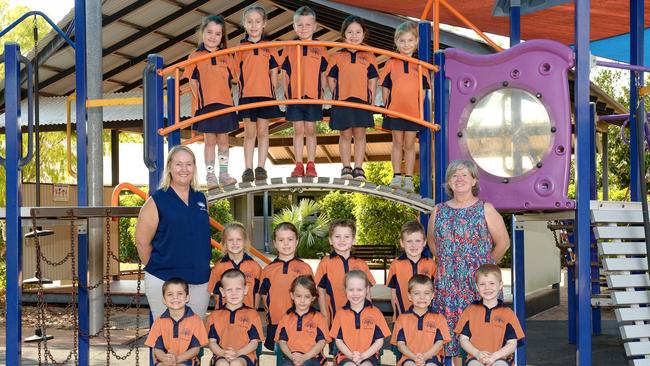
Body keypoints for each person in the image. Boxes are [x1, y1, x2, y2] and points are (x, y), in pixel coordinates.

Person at [427, 159, 510, 366]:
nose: (459, 179)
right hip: (448, 287)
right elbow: (433, 244)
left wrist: (485, 269)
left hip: (478, 286)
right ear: (448, 182)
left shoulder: (486, 209)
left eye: (465, 174)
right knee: (454, 336)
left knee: (484, 332)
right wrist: (451, 263)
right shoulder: (438, 211)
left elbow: (503, 244)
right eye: (454, 175)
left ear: (474, 180)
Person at [135, 145, 212, 321]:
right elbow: (142, 243)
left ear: (194, 167)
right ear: (169, 167)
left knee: (193, 338)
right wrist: (159, 269)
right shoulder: (156, 201)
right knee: (168, 340)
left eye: (189, 164)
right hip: (164, 281)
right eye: (178, 164)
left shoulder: (201, 198)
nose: (184, 169)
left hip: (199, 280)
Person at [183, 15, 239, 188]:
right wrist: (199, 98)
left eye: (217, 33)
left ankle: (223, 173)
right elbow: (192, 80)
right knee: (209, 141)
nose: (213, 37)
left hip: (224, 104)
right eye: (209, 32)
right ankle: (210, 175)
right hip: (206, 105)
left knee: (223, 140)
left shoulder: (227, 56)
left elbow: (234, 79)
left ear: (222, 37)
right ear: (202, 33)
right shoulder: (195, 56)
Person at [380, 21, 431, 193]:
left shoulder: (420, 66)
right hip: (395, 111)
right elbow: (385, 86)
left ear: (416, 42)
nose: (406, 44)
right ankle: (396, 175)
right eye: (402, 41)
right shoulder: (391, 63)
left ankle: (408, 178)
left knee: (409, 144)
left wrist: (420, 111)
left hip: (412, 112)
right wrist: (387, 108)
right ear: (396, 42)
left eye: (410, 41)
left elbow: (424, 90)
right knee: (397, 142)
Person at [327, 15, 378, 181]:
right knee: (345, 134)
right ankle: (346, 167)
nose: (354, 35)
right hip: (342, 99)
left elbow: (373, 79)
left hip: (362, 100)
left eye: (358, 32)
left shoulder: (369, 56)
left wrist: (370, 100)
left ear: (364, 34)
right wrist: (337, 95)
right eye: (350, 32)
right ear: (344, 34)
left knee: (360, 134)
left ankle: (358, 168)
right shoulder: (337, 55)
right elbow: (331, 78)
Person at [237, 5, 283, 183]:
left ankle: (261, 167)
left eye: (257, 21)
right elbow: (235, 73)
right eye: (250, 22)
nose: (254, 25)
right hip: (247, 95)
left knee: (263, 132)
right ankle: (248, 168)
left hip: (265, 95)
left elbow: (274, 71)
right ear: (244, 24)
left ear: (264, 24)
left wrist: (271, 91)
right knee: (250, 133)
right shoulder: (240, 48)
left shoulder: (269, 46)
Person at [281, 6, 328, 178]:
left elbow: (323, 73)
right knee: (298, 130)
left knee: (310, 130)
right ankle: (298, 164)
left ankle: (311, 164)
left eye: (308, 25)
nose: (304, 28)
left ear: (315, 26)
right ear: (294, 27)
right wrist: (287, 96)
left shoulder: (321, 48)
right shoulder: (289, 47)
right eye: (300, 25)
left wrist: (321, 95)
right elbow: (285, 74)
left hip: (313, 97)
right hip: (295, 97)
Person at [260, 222, 315, 351]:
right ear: (275, 243)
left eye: (290, 239)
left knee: (299, 354)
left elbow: (311, 295)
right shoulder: (268, 270)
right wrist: (270, 312)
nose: (286, 243)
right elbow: (264, 295)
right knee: (280, 357)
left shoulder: (305, 268)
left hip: (300, 322)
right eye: (281, 240)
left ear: (296, 242)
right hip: (276, 322)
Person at [455, 264, 524, 366]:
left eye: (492, 283)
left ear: (500, 285)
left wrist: (495, 356)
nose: (487, 288)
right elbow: (463, 339)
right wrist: (477, 353)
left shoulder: (508, 313)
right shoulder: (470, 311)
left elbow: (512, 343)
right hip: (476, 358)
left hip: (500, 358)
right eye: (482, 284)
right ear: (477, 287)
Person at [315, 219, 376, 326]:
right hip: (333, 319)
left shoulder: (361, 264)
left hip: (358, 319)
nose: (342, 240)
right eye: (337, 236)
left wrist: (369, 313)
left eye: (347, 237)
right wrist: (324, 315)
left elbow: (367, 292)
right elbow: (320, 291)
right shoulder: (325, 263)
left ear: (353, 240)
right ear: (330, 240)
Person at [329, 270, 391, 366]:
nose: (355, 293)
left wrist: (363, 356)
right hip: (346, 356)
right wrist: (351, 356)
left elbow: (379, 341)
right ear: (345, 290)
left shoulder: (375, 312)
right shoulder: (340, 313)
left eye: (359, 290)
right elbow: (338, 340)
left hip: (369, 355)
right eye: (351, 289)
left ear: (366, 290)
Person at [206, 269, 264, 366]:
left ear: (245, 290)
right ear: (222, 291)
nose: (234, 293)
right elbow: (212, 343)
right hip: (221, 354)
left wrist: (237, 353)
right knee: (222, 364)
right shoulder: (214, 316)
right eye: (229, 289)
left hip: (246, 355)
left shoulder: (252, 314)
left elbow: (254, 343)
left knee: (236, 363)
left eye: (238, 289)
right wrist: (224, 353)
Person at [145, 277, 208, 366]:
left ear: (187, 298)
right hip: (165, 360)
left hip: (186, 360)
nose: (175, 297)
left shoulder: (196, 320)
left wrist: (178, 359)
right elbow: (156, 348)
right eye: (170, 294)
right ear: (164, 300)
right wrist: (164, 358)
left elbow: (196, 348)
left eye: (180, 293)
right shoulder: (159, 322)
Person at [391, 275, 450, 366]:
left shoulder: (439, 318)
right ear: (409, 296)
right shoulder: (402, 319)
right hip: (408, 357)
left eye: (426, 293)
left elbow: (439, 343)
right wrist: (414, 357)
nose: (422, 297)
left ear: (432, 295)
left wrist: (425, 356)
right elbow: (400, 344)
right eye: (417, 293)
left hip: (432, 358)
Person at [275, 275, 330, 366]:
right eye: (299, 296)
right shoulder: (286, 318)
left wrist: (304, 357)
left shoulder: (319, 318)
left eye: (307, 296)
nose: (302, 300)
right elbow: (282, 341)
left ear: (313, 298)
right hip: (292, 357)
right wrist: (292, 356)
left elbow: (321, 342)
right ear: (292, 295)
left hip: (313, 358)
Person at [387, 220, 436, 321]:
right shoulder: (396, 265)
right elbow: (393, 292)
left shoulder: (431, 264)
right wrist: (397, 314)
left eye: (417, 241)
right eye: (409, 241)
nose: (413, 245)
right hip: (402, 318)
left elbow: (435, 290)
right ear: (402, 243)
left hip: (426, 318)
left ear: (424, 242)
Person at [207, 222, 262, 309]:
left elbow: (258, 292)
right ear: (224, 242)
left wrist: (254, 311)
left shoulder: (255, 267)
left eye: (239, 239)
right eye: (230, 240)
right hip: (225, 316)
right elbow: (216, 292)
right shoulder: (218, 268)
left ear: (245, 242)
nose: (234, 243)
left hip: (247, 316)